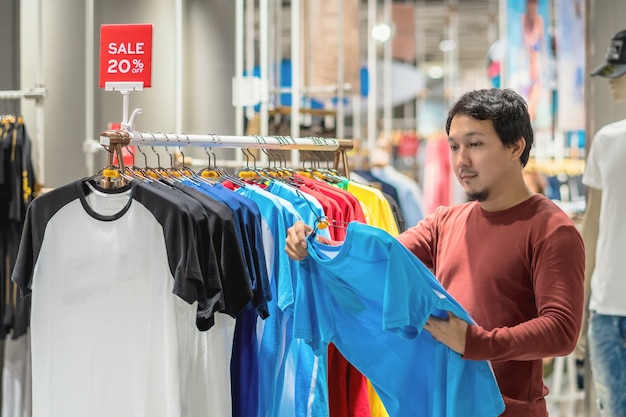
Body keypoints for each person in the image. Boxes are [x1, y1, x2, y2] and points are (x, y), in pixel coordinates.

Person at [285, 88, 585, 417]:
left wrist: (477, 342)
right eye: (454, 146)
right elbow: (380, 261)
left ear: (515, 146)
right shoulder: (445, 222)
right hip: (444, 405)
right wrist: (317, 248)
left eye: (475, 144)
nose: (461, 161)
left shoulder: (552, 230)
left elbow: (561, 330)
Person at [579, 28, 626, 417]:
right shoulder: (607, 140)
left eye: (619, 72)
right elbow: (591, 225)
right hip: (607, 308)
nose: (612, 82)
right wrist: (579, 305)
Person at [521, 0, 545, 122]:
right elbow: (528, 40)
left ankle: (530, 116)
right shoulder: (525, 19)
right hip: (529, 62)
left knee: (536, 88)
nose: (533, 6)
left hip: (534, 62)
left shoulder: (538, 20)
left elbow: (536, 40)